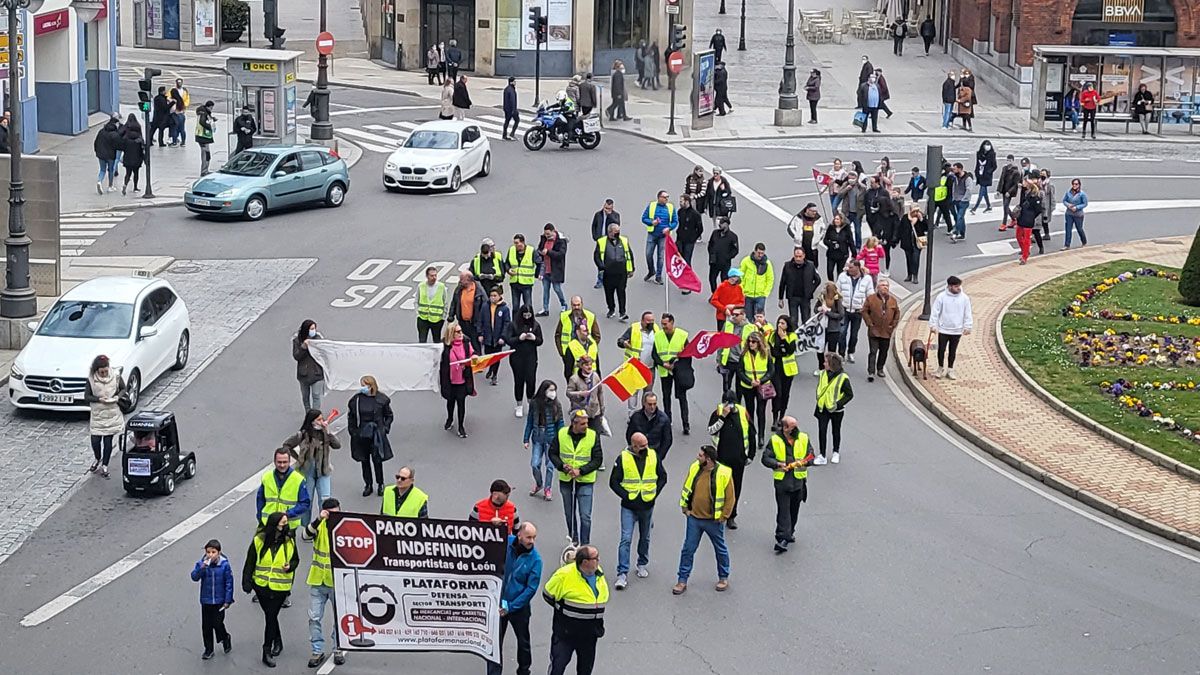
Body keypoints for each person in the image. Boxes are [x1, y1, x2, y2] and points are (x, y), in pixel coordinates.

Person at [674, 445, 735, 594]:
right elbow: (687, 486)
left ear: (708, 459)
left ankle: (723, 577)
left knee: (720, 549)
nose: (697, 457)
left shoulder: (724, 473)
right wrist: (685, 507)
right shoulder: (695, 467)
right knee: (688, 549)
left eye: (700, 455)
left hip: (713, 520)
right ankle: (682, 580)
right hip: (694, 518)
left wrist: (723, 516)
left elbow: (730, 498)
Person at [608, 431, 666, 590]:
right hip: (629, 507)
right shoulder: (623, 458)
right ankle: (622, 573)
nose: (646, 448)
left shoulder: (653, 456)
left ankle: (642, 563)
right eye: (642, 446)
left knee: (645, 536)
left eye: (646, 445)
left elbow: (663, 477)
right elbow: (613, 482)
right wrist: (626, 496)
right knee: (625, 538)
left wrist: (654, 494)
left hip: (647, 505)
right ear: (634, 446)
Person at [242, 512, 297, 668]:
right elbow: (250, 560)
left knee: (271, 615)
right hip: (261, 586)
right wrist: (246, 581)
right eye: (282, 523)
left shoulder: (289, 540)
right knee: (270, 616)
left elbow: (295, 560)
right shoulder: (259, 540)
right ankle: (278, 640)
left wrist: (290, 567)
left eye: (286, 523)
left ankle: (266, 650)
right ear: (274, 524)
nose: (285, 526)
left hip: (280, 586)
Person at [543, 544, 608, 675]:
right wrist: (565, 611)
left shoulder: (598, 573)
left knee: (585, 670)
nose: (599, 560)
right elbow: (548, 594)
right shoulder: (564, 575)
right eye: (596, 558)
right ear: (585, 562)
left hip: (589, 635)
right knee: (558, 667)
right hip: (566, 634)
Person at [488, 522, 542, 675]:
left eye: (534, 537)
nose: (532, 541)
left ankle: (524, 670)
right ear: (519, 535)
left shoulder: (535, 560)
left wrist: (511, 607)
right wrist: (493, 527)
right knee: (495, 643)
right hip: (499, 603)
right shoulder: (505, 543)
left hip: (518, 607)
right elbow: (488, 543)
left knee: (523, 642)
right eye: (528, 537)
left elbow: (530, 589)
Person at [761, 415, 813, 553]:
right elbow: (765, 458)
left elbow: (811, 455)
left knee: (794, 510)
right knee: (784, 511)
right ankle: (782, 538)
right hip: (783, 482)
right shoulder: (775, 440)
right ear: (785, 428)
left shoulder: (803, 438)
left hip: (798, 481)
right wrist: (777, 464)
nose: (796, 429)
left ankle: (789, 533)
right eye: (792, 427)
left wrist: (805, 462)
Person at [551, 410, 603, 546]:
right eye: (583, 423)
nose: (586, 426)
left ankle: (585, 544)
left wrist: (581, 471)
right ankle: (574, 540)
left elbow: (598, 460)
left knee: (585, 516)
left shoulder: (593, 436)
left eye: (586, 423)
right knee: (569, 513)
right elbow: (553, 453)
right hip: (566, 480)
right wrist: (562, 466)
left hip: (585, 481)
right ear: (574, 423)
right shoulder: (561, 434)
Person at [304, 498, 346, 668]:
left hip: (337, 582)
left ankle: (338, 649)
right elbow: (305, 535)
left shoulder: (346, 527)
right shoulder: (319, 526)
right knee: (314, 618)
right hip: (318, 580)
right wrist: (318, 519)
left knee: (339, 617)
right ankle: (317, 650)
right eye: (331, 514)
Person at [281, 410, 340, 530]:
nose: (321, 422)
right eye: (318, 419)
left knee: (325, 499)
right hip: (307, 472)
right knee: (306, 501)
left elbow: (337, 445)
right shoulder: (303, 434)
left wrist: (328, 432)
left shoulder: (325, 433)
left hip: (324, 470)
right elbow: (286, 445)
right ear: (311, 421)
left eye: (322, 419)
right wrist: (298, 458)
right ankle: (306, 527)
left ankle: (324, 526)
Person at [348, 375, 394, 494]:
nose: (362, 388)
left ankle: (380, 483)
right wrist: (353, 431)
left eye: (365, 385)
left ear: (371, 385)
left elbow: (389, 415)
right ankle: (368, 484)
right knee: (364, 460)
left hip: (376, 434)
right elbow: (351, 416)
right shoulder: (356, 400)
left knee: (377, 460)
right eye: (362, 385)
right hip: (361, 434)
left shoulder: (381, 399)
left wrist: (384, 429)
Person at [191, 538, 234, 660]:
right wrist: (201, 568)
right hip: (206, 600)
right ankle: (208, 649)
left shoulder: (224, 565)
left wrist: (228, 600)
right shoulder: (202, 564)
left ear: (219, 553)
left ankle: (225, 637)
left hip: (219, 601)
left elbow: (229, 583)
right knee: (206, 626)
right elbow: (194, 577)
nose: (210, 555)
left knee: (217, 623)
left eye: (213, 552)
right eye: (208, 552)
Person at [84, 355, 124, 478]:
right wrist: (98, 399)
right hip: (97, 414)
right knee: (95, 440)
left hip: (112, 413)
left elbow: (123, 389)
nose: (104, 374)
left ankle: (105, 465)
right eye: (101, 372)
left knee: (108, 442)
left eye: (106, 371)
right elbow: (87, 396)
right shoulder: (91, 379)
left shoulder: (116, 376)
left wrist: (117, 397)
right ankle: (97, 458)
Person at [256, 447, 310, 537]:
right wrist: (260, 517)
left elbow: (305, 503)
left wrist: (288, 513)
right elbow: (260, 499)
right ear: (274, 461)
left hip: (288, 526)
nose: (282, 465)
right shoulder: (267, 477)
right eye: (279, 462)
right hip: (268, 524)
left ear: (289, 462)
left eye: (284, 462)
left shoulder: (298, 479)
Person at [653, 313, 693, 433]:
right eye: (662, 324)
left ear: (672, 323)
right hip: (665, 370)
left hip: (678, 371)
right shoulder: (658, 336)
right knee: (666, 396)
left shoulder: (682, 335)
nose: (663, 326)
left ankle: (685, 424)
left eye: (665, 324)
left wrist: (674, 365)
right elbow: (654, 354)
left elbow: (688, 354)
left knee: (682, 397)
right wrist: (663, 364)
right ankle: (667, 420)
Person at [526, 381, 565, 500]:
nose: (553, 393)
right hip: (538, 437)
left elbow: (560, 423)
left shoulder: (556, 405)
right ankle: (539, 484)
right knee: (535, 464)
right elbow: (530, 421)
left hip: (551, 439)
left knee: (549, 466)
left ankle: (547, 488)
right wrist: (526, 438)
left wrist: (561, 440)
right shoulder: (534, 403)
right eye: (551, 390)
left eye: (554, 390)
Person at [929, 276, 973, 379]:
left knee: (952, 351)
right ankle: (940, 368)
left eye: (959, 286)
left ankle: (950, 369)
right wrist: (933, 325)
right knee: (941, 349)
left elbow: (968, 313)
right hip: (944, 329)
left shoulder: (964, 298)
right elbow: (935, 312)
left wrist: (968, 326)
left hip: (957, 330)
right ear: (949, 286)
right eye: (956, 286)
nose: (958, 288)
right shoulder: (941, 297)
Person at [813, 353, 853, 466]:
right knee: (822, 430)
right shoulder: (822, 374)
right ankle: (822, 455)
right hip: (823, 408)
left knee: (836, 430)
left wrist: (838, 404)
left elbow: (849, 394)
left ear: (831, 364)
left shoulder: (843, 378)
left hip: (836, 410)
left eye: (825, 362)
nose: (823, 363)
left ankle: (836, 452)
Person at [617, 312, 661, 411]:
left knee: (648, 393)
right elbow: (620, 340)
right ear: (642, 321)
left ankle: (644, 414)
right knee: (633, 392)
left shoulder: (656, 329)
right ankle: (631, 414)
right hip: (636, 367)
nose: (651, 323)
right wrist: (624, 343)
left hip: (650, 367)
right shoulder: (634, 329)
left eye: (652, 321)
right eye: (648, 321)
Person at [737, 331, 774, 450]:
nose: (751, 344)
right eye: (749, 341)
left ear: (759, 343)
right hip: (748, 386)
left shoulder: (766, 354)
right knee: (750, 410)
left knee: (761, 411)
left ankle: (761, 436)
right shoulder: (744, 354)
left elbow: (771, 370)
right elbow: (740, 371)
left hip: (762, 386)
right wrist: (749, 381)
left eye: (754, 342)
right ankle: (751, 434)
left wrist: (761, 380)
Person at [440, 322, 477, 438]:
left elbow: (473, 354)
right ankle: (450, 418)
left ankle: (461, 426)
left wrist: (474, 357)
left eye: (461, 331)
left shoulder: (466, 343)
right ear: (452, 333)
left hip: (462, 380)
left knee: (461, 403)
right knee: (450, 402)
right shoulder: (445, 346)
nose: (461, 334)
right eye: (458, 332)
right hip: (449, 381)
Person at [506, 305, 543, 418]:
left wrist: (534, 338)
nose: (527, 317)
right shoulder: (513, 325)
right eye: (525, 315)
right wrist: (518, 338)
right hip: (517, 357)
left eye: (529, 315)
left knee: (531, 380)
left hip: (531, 357)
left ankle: (530, 403)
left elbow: (540, 341)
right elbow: (508, 340)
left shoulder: (536, 325)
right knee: (519, 381)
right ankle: (519, 405)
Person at [594, 222, 634, 321]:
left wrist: (631, 268)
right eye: (615, 232)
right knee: (609, 292)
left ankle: (622, 312)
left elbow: (629, 254)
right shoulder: (602, 242)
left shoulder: (624, 241)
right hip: (608, 273)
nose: (617, 233)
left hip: (621, 272)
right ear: (610, 232)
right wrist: (602, 267)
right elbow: (596, 256)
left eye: (618, 231)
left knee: (621, 292)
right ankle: (611, 309)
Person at [862, 279, 900, 381]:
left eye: (887, 286)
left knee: (884, 351)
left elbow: (897, 313)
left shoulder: (893, 300)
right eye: (882, 285)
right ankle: (871, 371)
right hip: (874, 331)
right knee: (873, 351)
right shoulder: (871, 299)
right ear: (878, 287)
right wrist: (869, 324)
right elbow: (864, 311)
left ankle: (880, 368)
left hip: (886, 332)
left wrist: (893, 324)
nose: (885, 287)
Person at [836, 260, 874, 362]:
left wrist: (866, 308)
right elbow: (837, 291)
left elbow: (870, 295)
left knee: (854, 334)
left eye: (851, 267)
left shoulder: (867, 279)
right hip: (844, 309)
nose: (849, 269)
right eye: (848, 267)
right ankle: (841, 354)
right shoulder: (842, 276)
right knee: (842, 333)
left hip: (858, 311)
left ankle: (851, 352)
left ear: (857, 268)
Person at [767, 315, 799, 427]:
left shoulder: (792, 336)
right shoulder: (772, 335)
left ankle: (782, 417)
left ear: (787, 325)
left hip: (788, 370)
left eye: (783, 323)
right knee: (777, 394)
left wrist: (784, 339)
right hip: (776, 369)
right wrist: (782, 349)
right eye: (779, 323)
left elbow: (790, 351)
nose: (780, 325)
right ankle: (775, 418)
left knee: (785, 394)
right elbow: (773, 351)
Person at [641, 190, 678, 284]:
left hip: (663, 236)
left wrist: (669, 228)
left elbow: (675, 221)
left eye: (667, 197)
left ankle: (658, 275)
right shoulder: (652, 206)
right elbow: (644, 218)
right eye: (664, 197)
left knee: (661, 257)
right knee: (648, 254)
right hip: (652, 234)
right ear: (659, 198)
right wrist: (651, 222)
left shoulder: (670, 207)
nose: (666, 199)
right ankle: (651, 270)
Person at [557, 296, 601, 375]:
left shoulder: (590, 316)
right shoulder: (564, 316)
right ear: (571, 305)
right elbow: (558, 335)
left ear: (582, 304)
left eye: (578, 305)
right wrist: (562, 352)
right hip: (569, 352)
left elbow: (596, 335)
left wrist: (590, 348)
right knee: (569, 374)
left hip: (586, 353)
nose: (576, 307)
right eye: (574, 305)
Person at [625, 391, 672, 459]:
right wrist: (635, 450)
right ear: (644, 403)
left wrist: (659, 457)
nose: (652, 407)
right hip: (638, 454)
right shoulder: (636, 417)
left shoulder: (664, 420)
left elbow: (667, 440)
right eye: (650, 404)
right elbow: (629, 435)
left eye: (654, 404)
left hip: (655, 453)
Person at [481, 287, 512, 386]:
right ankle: (490, 368)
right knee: (488, 354)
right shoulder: (485, 307)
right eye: (491, 296)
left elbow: (507, 323)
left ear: (499, 296)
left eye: (495, 296)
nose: (492, 298)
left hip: (498, 338)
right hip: (487, 336)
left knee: (496, 357)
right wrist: (480, 334)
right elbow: (480, 321)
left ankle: (495, 375)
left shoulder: (504, 309)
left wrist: (503, 337)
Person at [450, 270, 487, 352]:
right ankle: (466, 363)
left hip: (474, 324)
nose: (460, 281)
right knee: (464, 345)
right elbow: (454, 302)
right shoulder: (459, 289)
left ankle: (477, 363)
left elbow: (485, 306)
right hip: (463, 323)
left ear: (468, 280)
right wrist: (451, 315)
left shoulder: (478, 290)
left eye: (461, 279)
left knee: (475, 345)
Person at [293, 319, 325, 412]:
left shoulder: (318, 339)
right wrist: (303, 347)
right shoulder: (297, 341)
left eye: (314, 328)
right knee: (305, 397)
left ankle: (315, 415)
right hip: (304, 374)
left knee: (316, 395)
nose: (313, 331)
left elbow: (323, 353)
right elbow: (296, 356)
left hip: (317, 373)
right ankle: (308, 414)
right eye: (311, 328)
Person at [736, 243, 774, 319]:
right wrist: (742, 290)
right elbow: (740, 276)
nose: (760, 255)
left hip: (760, 296)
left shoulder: (767, 264)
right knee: (748, 318)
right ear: (755, 251)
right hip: (747, 295)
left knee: (758, 318)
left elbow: (770, 279)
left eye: (762, 253)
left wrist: (765, 293)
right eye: (759, 253)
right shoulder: (746, 261)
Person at [814, 281, 844, 375]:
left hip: (833, 329)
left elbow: (840, 315)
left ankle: (831, 368)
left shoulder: (837, 300)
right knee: (820, 349)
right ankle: (821, 367)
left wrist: (828, 313)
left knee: (831, 350)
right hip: (822, 329)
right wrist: (819, 309)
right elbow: (815, 309)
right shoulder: (821, 298)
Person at [537, 224, 568, 316]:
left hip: (555, 269)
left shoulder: (561, 241)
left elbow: (561, 254)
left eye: (548, 234)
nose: (547, 236)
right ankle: (545, 309)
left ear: (554, 231)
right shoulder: (544, 239)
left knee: (557, 288)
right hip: (545, 268)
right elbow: (540, 248)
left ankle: (563, 304)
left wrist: (548, 252)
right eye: (545, 234)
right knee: (545, 290)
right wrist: (541, 252)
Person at [590, 200, 621, 288]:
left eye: (609, 208)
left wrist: (610, 215)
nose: (607, 210)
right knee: (599, 259)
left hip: (610, 241)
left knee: (610, 260)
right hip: (600, 240)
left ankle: (609, 278)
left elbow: (617, 224)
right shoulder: (598, 215)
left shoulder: (615, 215)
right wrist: (595, 236)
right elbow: (594, 225)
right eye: (606, 208)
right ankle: (600, 280)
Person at [787, 202, 825, 270]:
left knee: (813, 266)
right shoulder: (798, 217)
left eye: (815, 211)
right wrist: (796, 236)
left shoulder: (819, 219)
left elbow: (823, 230)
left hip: (812, 248)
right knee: (798, 265)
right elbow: (790, 228)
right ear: (807, 210)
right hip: (800, 246)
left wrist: (818, 238)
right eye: (813, 211)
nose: (814, 213)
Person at [416, 266, 449, 343]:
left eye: (435, 275)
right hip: (423, 318)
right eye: (432, 275)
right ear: (427, 276)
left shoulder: (441, 287)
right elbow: (416, 301)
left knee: (436, 341)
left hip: (437, 319)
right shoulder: (421, 286)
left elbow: (445, 303)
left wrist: (443, 317)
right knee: (422, 341)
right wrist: (418, 314)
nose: (434, 277)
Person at [1014, 178, 1044, 263]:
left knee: (1027, 239)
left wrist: (1032, 216)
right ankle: (1025, 251)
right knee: (1018, 236)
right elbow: (1021, 200)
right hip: (1021, 218)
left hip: (1028, 220)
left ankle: (1025, 256)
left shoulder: (1036, 197)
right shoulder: (1025, 193)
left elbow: (1038, 210)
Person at [706, 216, 739, 292]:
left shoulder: (733, 236)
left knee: (724, 279)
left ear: (727, 224)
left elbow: (735, 250)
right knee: (712, 278)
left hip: (725, 263)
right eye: (719, 223)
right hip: (714, 262)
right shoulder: (715, 233)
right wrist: (711, 254)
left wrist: (727, 257)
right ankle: (714, 293)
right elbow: (710, 244)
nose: (720, 225)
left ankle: (723, 294)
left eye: (722, 223)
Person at [505, 235, 536, 312]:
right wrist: (508, 270)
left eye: (516, 243)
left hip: (526, 284)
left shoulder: (531, 251)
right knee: (515, 307)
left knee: (528, 306)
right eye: (514, 243)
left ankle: (529, 323)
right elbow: (506, 263)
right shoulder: (511, 250)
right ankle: (515, 323)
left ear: (522, 242)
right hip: (515, 283)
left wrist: (539, 273)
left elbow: (540, 263)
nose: (515, 245)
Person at [837, 171, 867, 249]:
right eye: (849, 178)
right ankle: (846, 244)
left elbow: (865, 196)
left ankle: (858, 246)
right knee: (845, 229)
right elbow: (839, 195)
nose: (851, 180)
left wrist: (863, 211)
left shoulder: (860, 187)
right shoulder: (846, 185)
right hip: (847, 212)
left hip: (857, 213)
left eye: (853, 178)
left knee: (857, 231)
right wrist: (846, 189)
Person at [676, 194, 704, 275]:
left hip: (689, 241)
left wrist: (693, 238)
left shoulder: (695, 214)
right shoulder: (680, 212)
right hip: (680, 240)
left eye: (681, 201)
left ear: (687, 202)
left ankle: (688, 278)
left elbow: (700, 229)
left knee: (687, 260)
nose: (680, 203)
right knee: (679, 259)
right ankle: (681, 276)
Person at [821, 213, 854, 281]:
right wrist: (831, 244)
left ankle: (838, 286)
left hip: (842, 254)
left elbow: (851, 241)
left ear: (841, 220)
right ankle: (831, 284)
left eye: (838, 219)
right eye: (835, 219)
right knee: (829, 270)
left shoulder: (846, 228)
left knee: (840, 272)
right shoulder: (830, 228)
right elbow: (825, 240)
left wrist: (854, 254)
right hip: (831, 253)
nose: (836, 221)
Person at [899, 206, 928, 283]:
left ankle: (915, 276)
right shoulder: (905, 218)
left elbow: (927, 228)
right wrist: (912, 223)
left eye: (917, 211)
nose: (915, 213)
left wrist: (921, 220)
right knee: (909, 259)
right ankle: (909, 275)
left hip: (918, 242)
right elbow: (902, 229)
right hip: (907, 242)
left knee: (916, 259)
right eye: (914, 211)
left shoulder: (921, 217)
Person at [93, 116, 122, 194]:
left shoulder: (101, 131)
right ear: (115, 124)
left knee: (102, 170)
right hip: (110, 155)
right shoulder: (114, 134)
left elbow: (96, 142)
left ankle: (99, 181)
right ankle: (110, 186)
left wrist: (96, 151)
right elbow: (118, 145)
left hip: (101, 154)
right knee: (111, 170)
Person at [119, 114, 145, 196]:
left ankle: (125, 185)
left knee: (128, 173)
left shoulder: (126, 138)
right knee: (136, 173)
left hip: (128, 157)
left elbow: (123, 146)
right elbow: (142, 148)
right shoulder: (139, 139)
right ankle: (135, 187)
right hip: (137, 158)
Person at [971, 141, 997, 214]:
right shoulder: (979, 154)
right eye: (986, 145)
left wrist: (989, 172)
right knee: (984, 192)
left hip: (987, 176)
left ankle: (975, 208)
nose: (987, 146)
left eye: (989, 145)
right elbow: (977, 164)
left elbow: (994, 166)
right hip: (980, 175)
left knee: (981, 192)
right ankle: (989, 206)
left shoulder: (992, 154)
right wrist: (976, 172)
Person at [1062, 178, 1089, 249]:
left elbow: (1085, 203)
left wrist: (1077, 207)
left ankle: (1084, 242)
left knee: (1079, 229)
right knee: (1068, 229)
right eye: (1073, 184)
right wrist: (1068, 205)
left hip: (1078, 215)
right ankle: (1067, 245)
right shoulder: (1068, 192)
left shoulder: (1082, 194)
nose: (1074, 185)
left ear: (1079, 185)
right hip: (1069, 214)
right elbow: (1064, 200)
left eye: (1076, 184)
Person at [997, 154, 1021, 231]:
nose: (1008, 162)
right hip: (1004, 190)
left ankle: (1004, 224)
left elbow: (1015, 184)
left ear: (1013, 161)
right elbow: (1001, 180)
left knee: (1005, 206)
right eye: (1007, 160)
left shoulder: (1016, 172)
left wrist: (1009, 192)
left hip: (1009, 191)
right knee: (1005, 206)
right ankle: (1014, 219)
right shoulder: (1004, 168)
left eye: (1010, 160)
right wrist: (998, 190)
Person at [950, 162, 973, 241]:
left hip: (963, 201)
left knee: (959, 217)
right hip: (956, 199)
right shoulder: (955, 177)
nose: (953, 170)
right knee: (961, 218)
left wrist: (964, 199)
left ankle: (956, 232)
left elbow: (969, 190)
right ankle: (962, 234)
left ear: (960, 169)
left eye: (955, 169)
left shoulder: (967, 178)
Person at [195, 100, 215, 176]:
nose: (211, 110)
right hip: (202, 136)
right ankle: (204, 171)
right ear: (208, 107)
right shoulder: (203, 114)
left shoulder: (204, 113)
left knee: (206, 153)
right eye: (211, 108)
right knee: (206, 154)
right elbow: (203, 122)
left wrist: (212, 119)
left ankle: (205, 169)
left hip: (203, 136)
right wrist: (210, 127)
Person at [169, 78, 190, 146]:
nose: (179, 84)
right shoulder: (180, 99)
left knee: (175, 129)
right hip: (182, 115)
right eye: (178, 82)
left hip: (176, 115)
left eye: (180, 82)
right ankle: (183, 142)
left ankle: (174, 142)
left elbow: (172, 109)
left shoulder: (182, 92)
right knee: (182, 129)